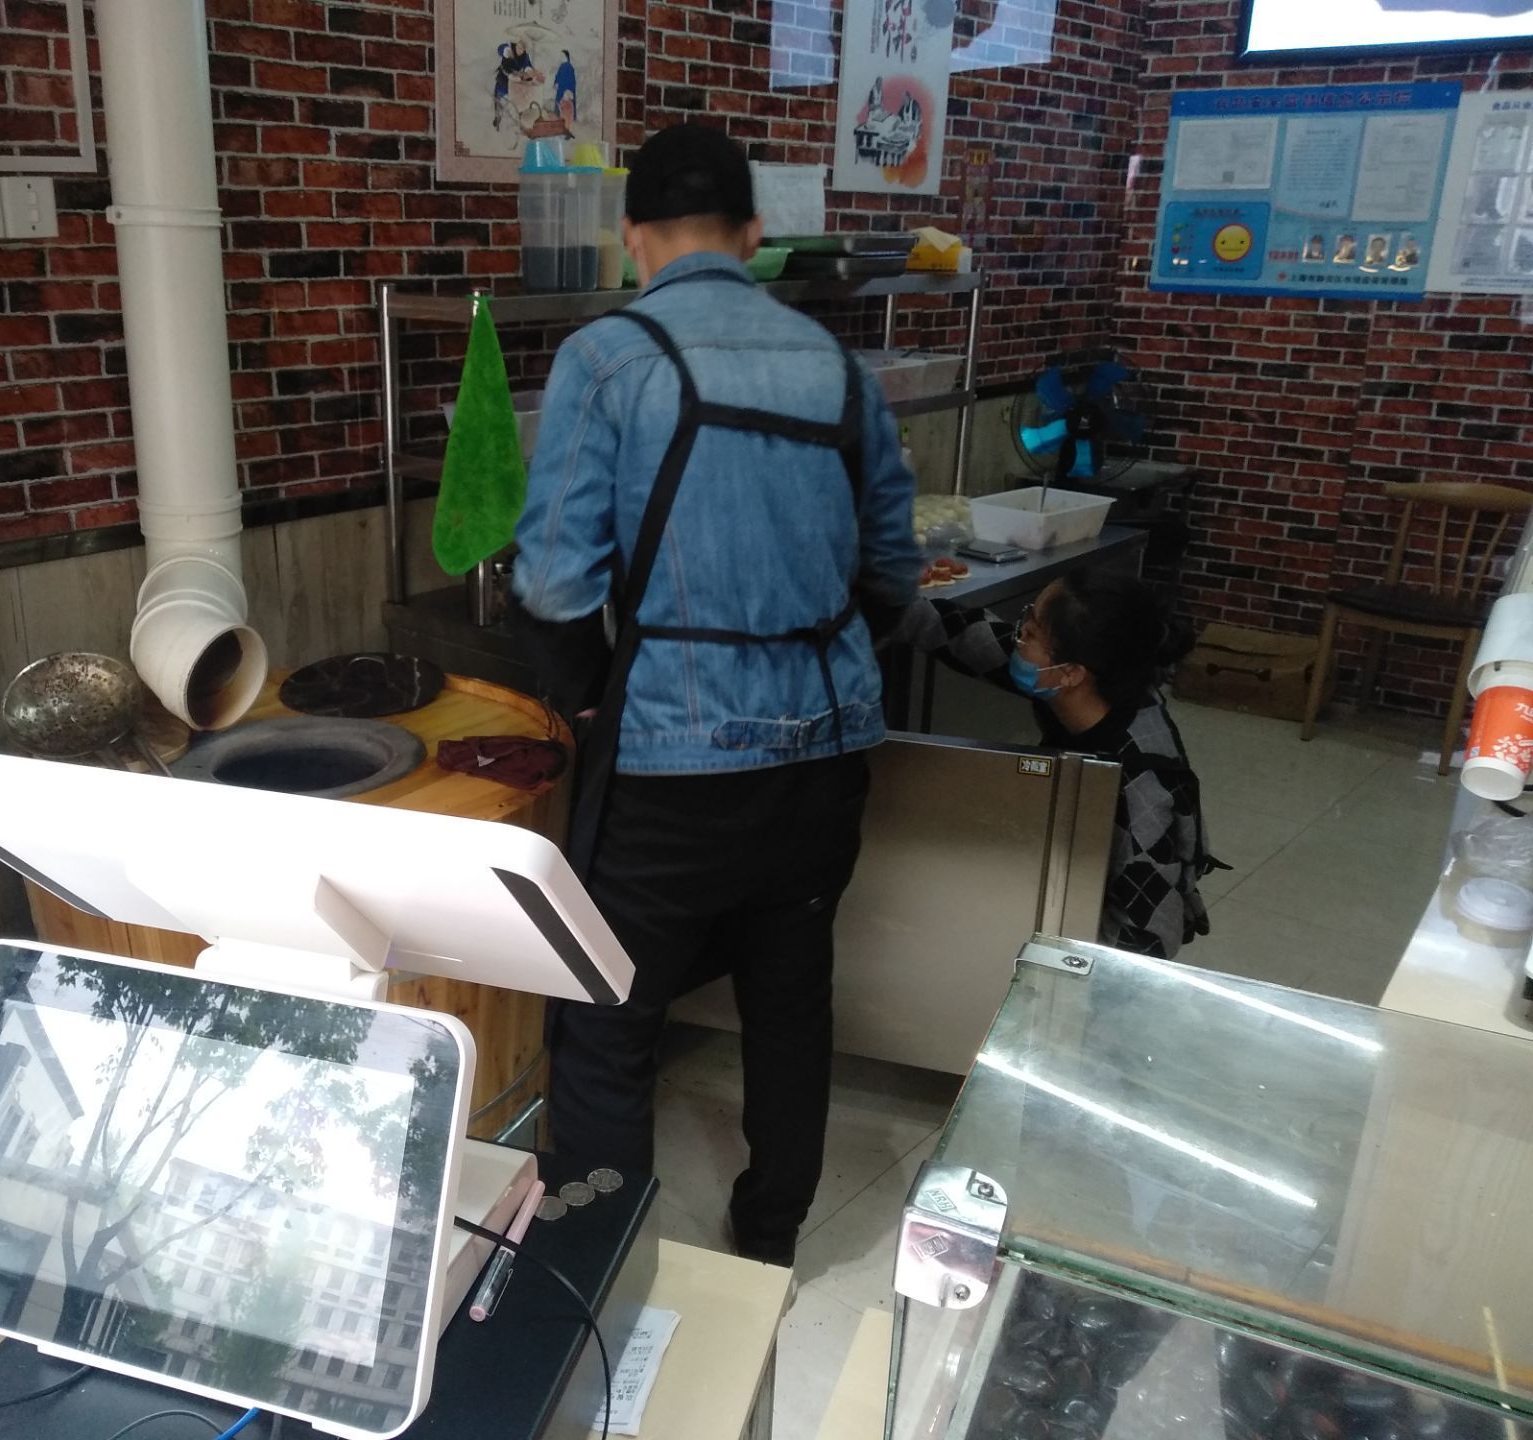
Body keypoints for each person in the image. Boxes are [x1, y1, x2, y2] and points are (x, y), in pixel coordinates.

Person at [510, 122, 921, 1267]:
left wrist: (592, 701)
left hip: (670, 762)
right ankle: (772, 1233)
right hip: (823, 757)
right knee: (789, 1001)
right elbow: (894, 572)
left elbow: (552, 584)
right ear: (751, 234)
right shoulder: (839, 368)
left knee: (608, 1019)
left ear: (633, 236)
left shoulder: (607, 358)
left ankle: (602, 1266)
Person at [893, 568, 1221, 958]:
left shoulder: (1144, 784)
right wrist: (881, 601)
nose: (1017, 637)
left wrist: (1057, 972)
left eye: (1030, 632)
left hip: (1094, 943)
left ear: (1071, 673)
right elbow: (962, 634)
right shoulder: (1087, 680)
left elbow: (1149, 941)